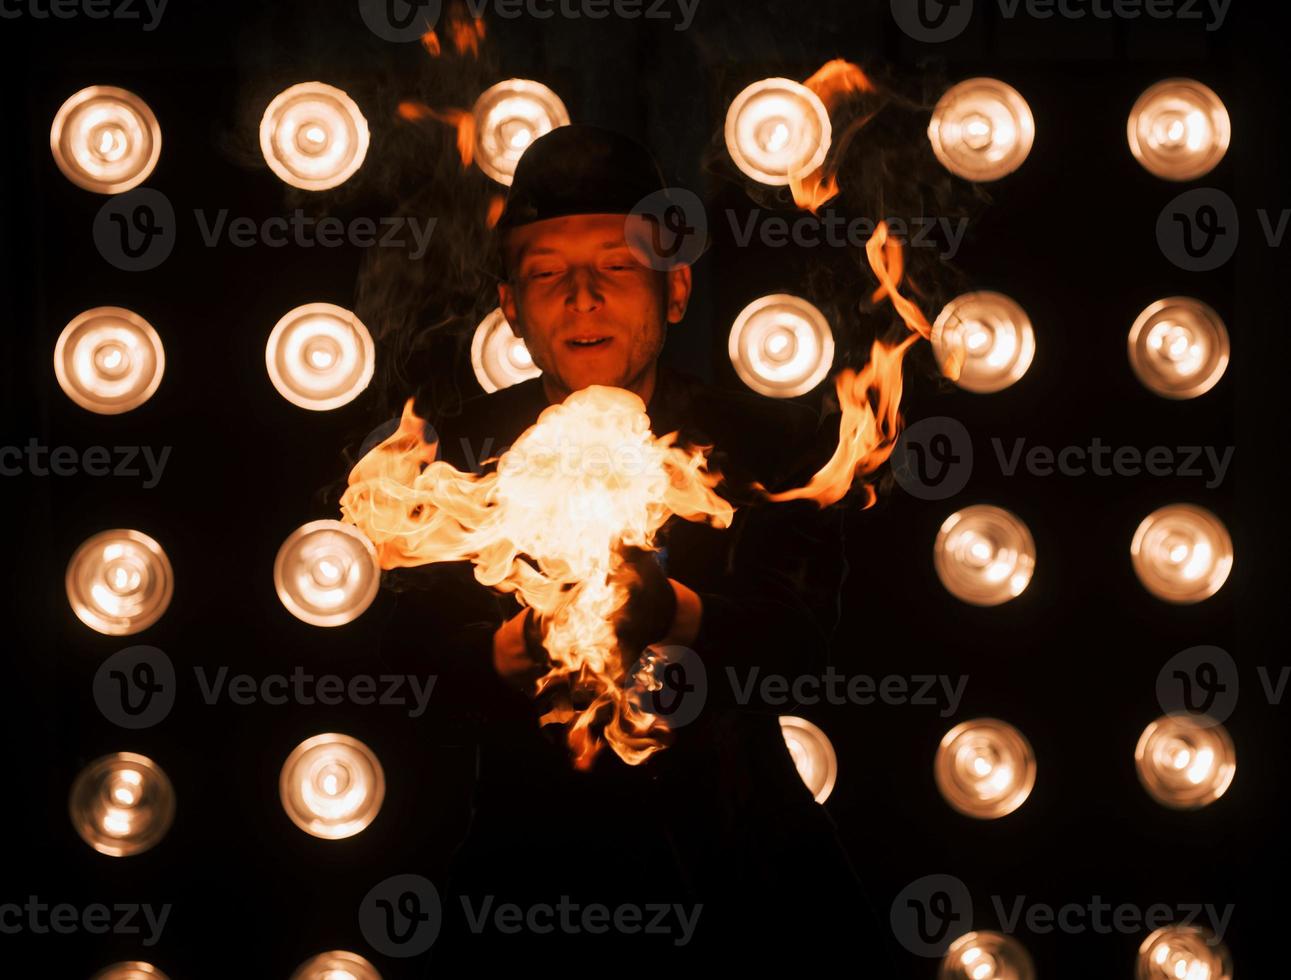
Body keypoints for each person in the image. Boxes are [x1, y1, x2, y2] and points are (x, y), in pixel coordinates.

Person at [377, 125, 890, 969]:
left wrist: (670, 614)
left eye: (616, 267)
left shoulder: (774, 446)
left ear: (675, 288)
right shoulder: (441, 459)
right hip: (516, 885)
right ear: (509, 307)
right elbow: (405, 669)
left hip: (742, 879)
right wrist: (528, 643)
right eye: (545, 275)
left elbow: (804, 645)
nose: (582, 296)